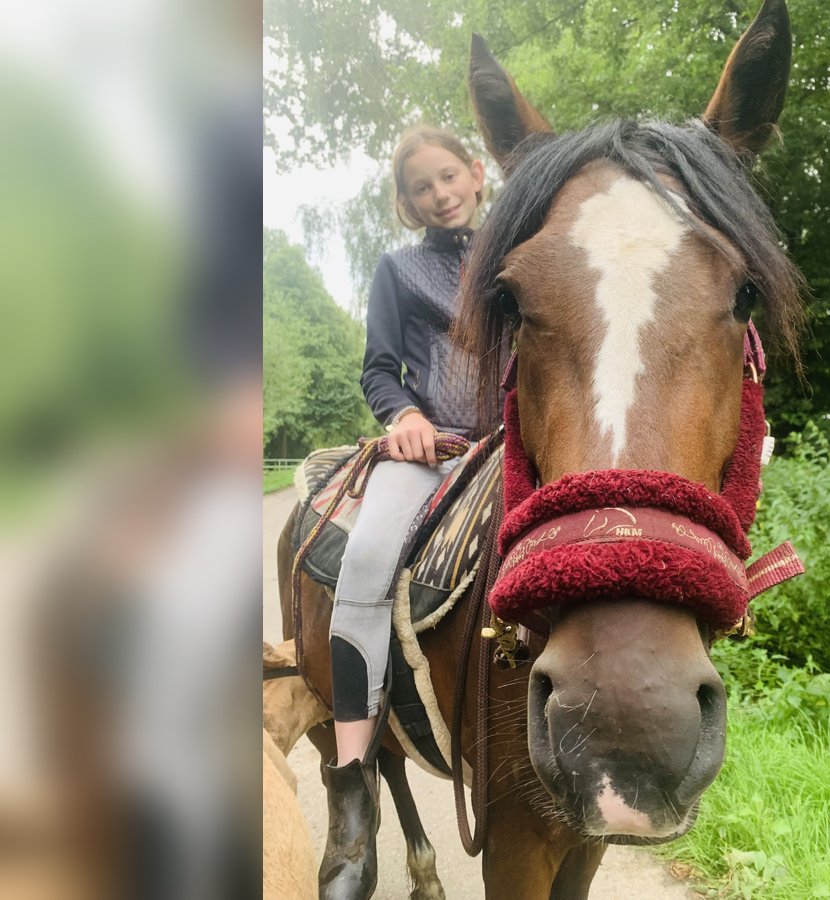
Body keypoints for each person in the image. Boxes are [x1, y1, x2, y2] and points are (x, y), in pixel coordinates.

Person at [320, 125, 487, 899]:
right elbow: (378, 368)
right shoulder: (399, 268)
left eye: (448, 175)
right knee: (364, 560)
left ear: (476, 172)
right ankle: (352, 780)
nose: (438, 193)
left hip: (513, 443)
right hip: (431, 452)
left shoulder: (518, 254)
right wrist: (403, 419)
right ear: (406, 203)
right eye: (421, 188)